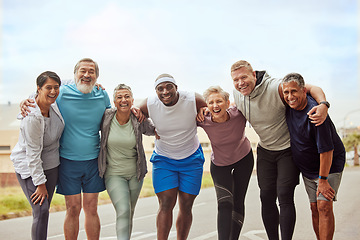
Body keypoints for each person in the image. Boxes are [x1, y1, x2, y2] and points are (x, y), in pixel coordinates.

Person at [230, 60, 329, 240]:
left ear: (254, 75)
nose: (240, 83)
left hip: (287, 150)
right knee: (266, 197)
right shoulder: (238, 95)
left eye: (243, 77)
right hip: (265, 150)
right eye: (235, 80)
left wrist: (323, 104)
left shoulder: (276, 87)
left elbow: (310, 88)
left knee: (284, 195)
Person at [21, 58, 111, 240]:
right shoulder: (62, 93)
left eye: (91, 72)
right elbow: (42, 95)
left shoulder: (102, 95)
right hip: (67, 162)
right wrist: (26, 101)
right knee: (73, 208)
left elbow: (111, 120)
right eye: (83, 71)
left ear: (97, 75)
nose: (87, 75)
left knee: (92, 208)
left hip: (93, 161)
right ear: (75, 74)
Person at [138, 73, 207, 240]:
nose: (165, 91)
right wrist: (146, 124)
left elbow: (209, 110)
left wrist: (205, 110)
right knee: (166, 203)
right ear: (156, 91)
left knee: (186, 205)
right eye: (160, 89)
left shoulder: (193, 99)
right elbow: (135, 118)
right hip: (164, 159)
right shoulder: (149, 104)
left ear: (176, 87)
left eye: (169, 87)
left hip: (191, 158)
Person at [281, 73, 345, 240]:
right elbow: (312, 87)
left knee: (324, 206)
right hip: (308, 168)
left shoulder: (315, 114)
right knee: (314, 207)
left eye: (294, 91)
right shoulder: (289, 104)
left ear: (303, 91)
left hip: (328, 164)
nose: (289, 96)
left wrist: (323, 180)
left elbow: (327, 150)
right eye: (286, 92)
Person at [10, 71, 64, 240]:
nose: (53, 91)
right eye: (48, 88)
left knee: (44, 210)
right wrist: (39, 184)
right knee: (40, 210)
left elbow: (74, 81)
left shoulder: (53, 105)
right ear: (39, 89)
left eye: (56, 87)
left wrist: (95, 84)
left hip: (51, 165)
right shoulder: (33, 117)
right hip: (29, 165)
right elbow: (32, 154)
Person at [98, 84, 155, 239]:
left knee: (129, 212)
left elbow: (154, 130)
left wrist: (144, 112)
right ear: (114, 101)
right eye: (119, 97)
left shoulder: (137, 118)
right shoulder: (106, 116)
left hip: (136, 175)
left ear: (132, 100)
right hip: (114, 174)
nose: (123, 100)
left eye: (127, 96)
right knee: (123, 210)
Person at [197, 86, 254, 240]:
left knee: (238, 200)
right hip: (220, 164)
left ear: (227, 103)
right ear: (206, 106)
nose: (215, 105)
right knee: (224, 204)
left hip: (244, 159)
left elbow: (253, 103)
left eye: (219, 101)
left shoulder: (239, 113)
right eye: (211, 102)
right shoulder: (203, 120)